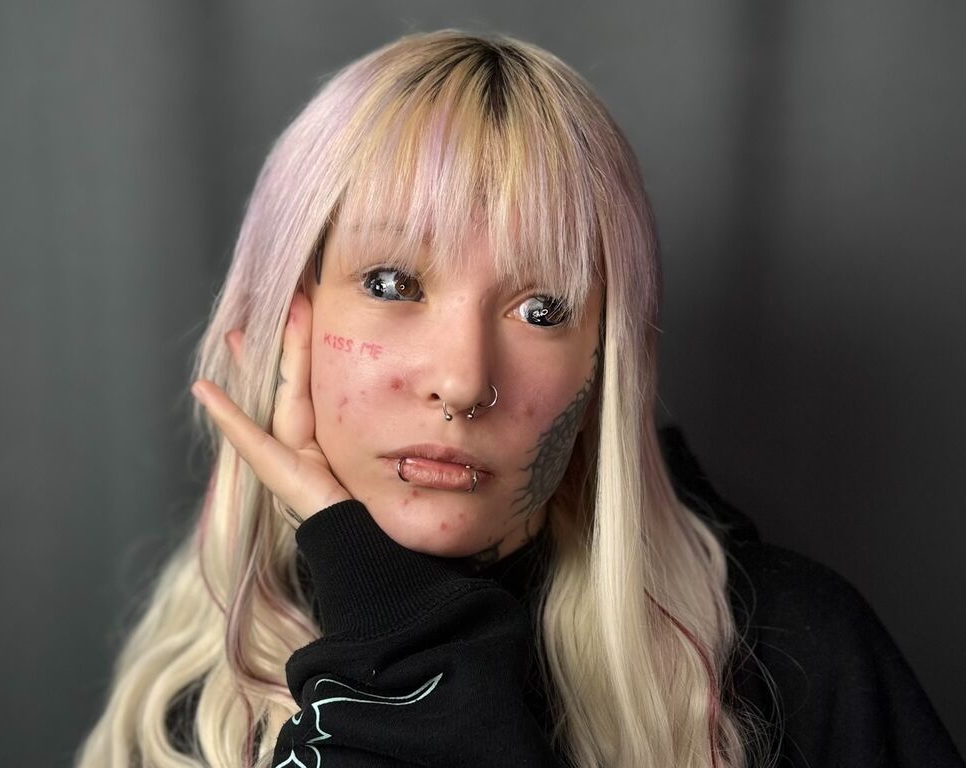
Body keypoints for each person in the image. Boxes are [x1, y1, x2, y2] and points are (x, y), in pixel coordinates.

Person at [75, 29, 964, 768]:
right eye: (391, 284)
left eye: (543, 310)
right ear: (282, 315)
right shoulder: (189, 714)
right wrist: (391, 629)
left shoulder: (795, 660)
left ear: (605, 360)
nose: (464, 382)